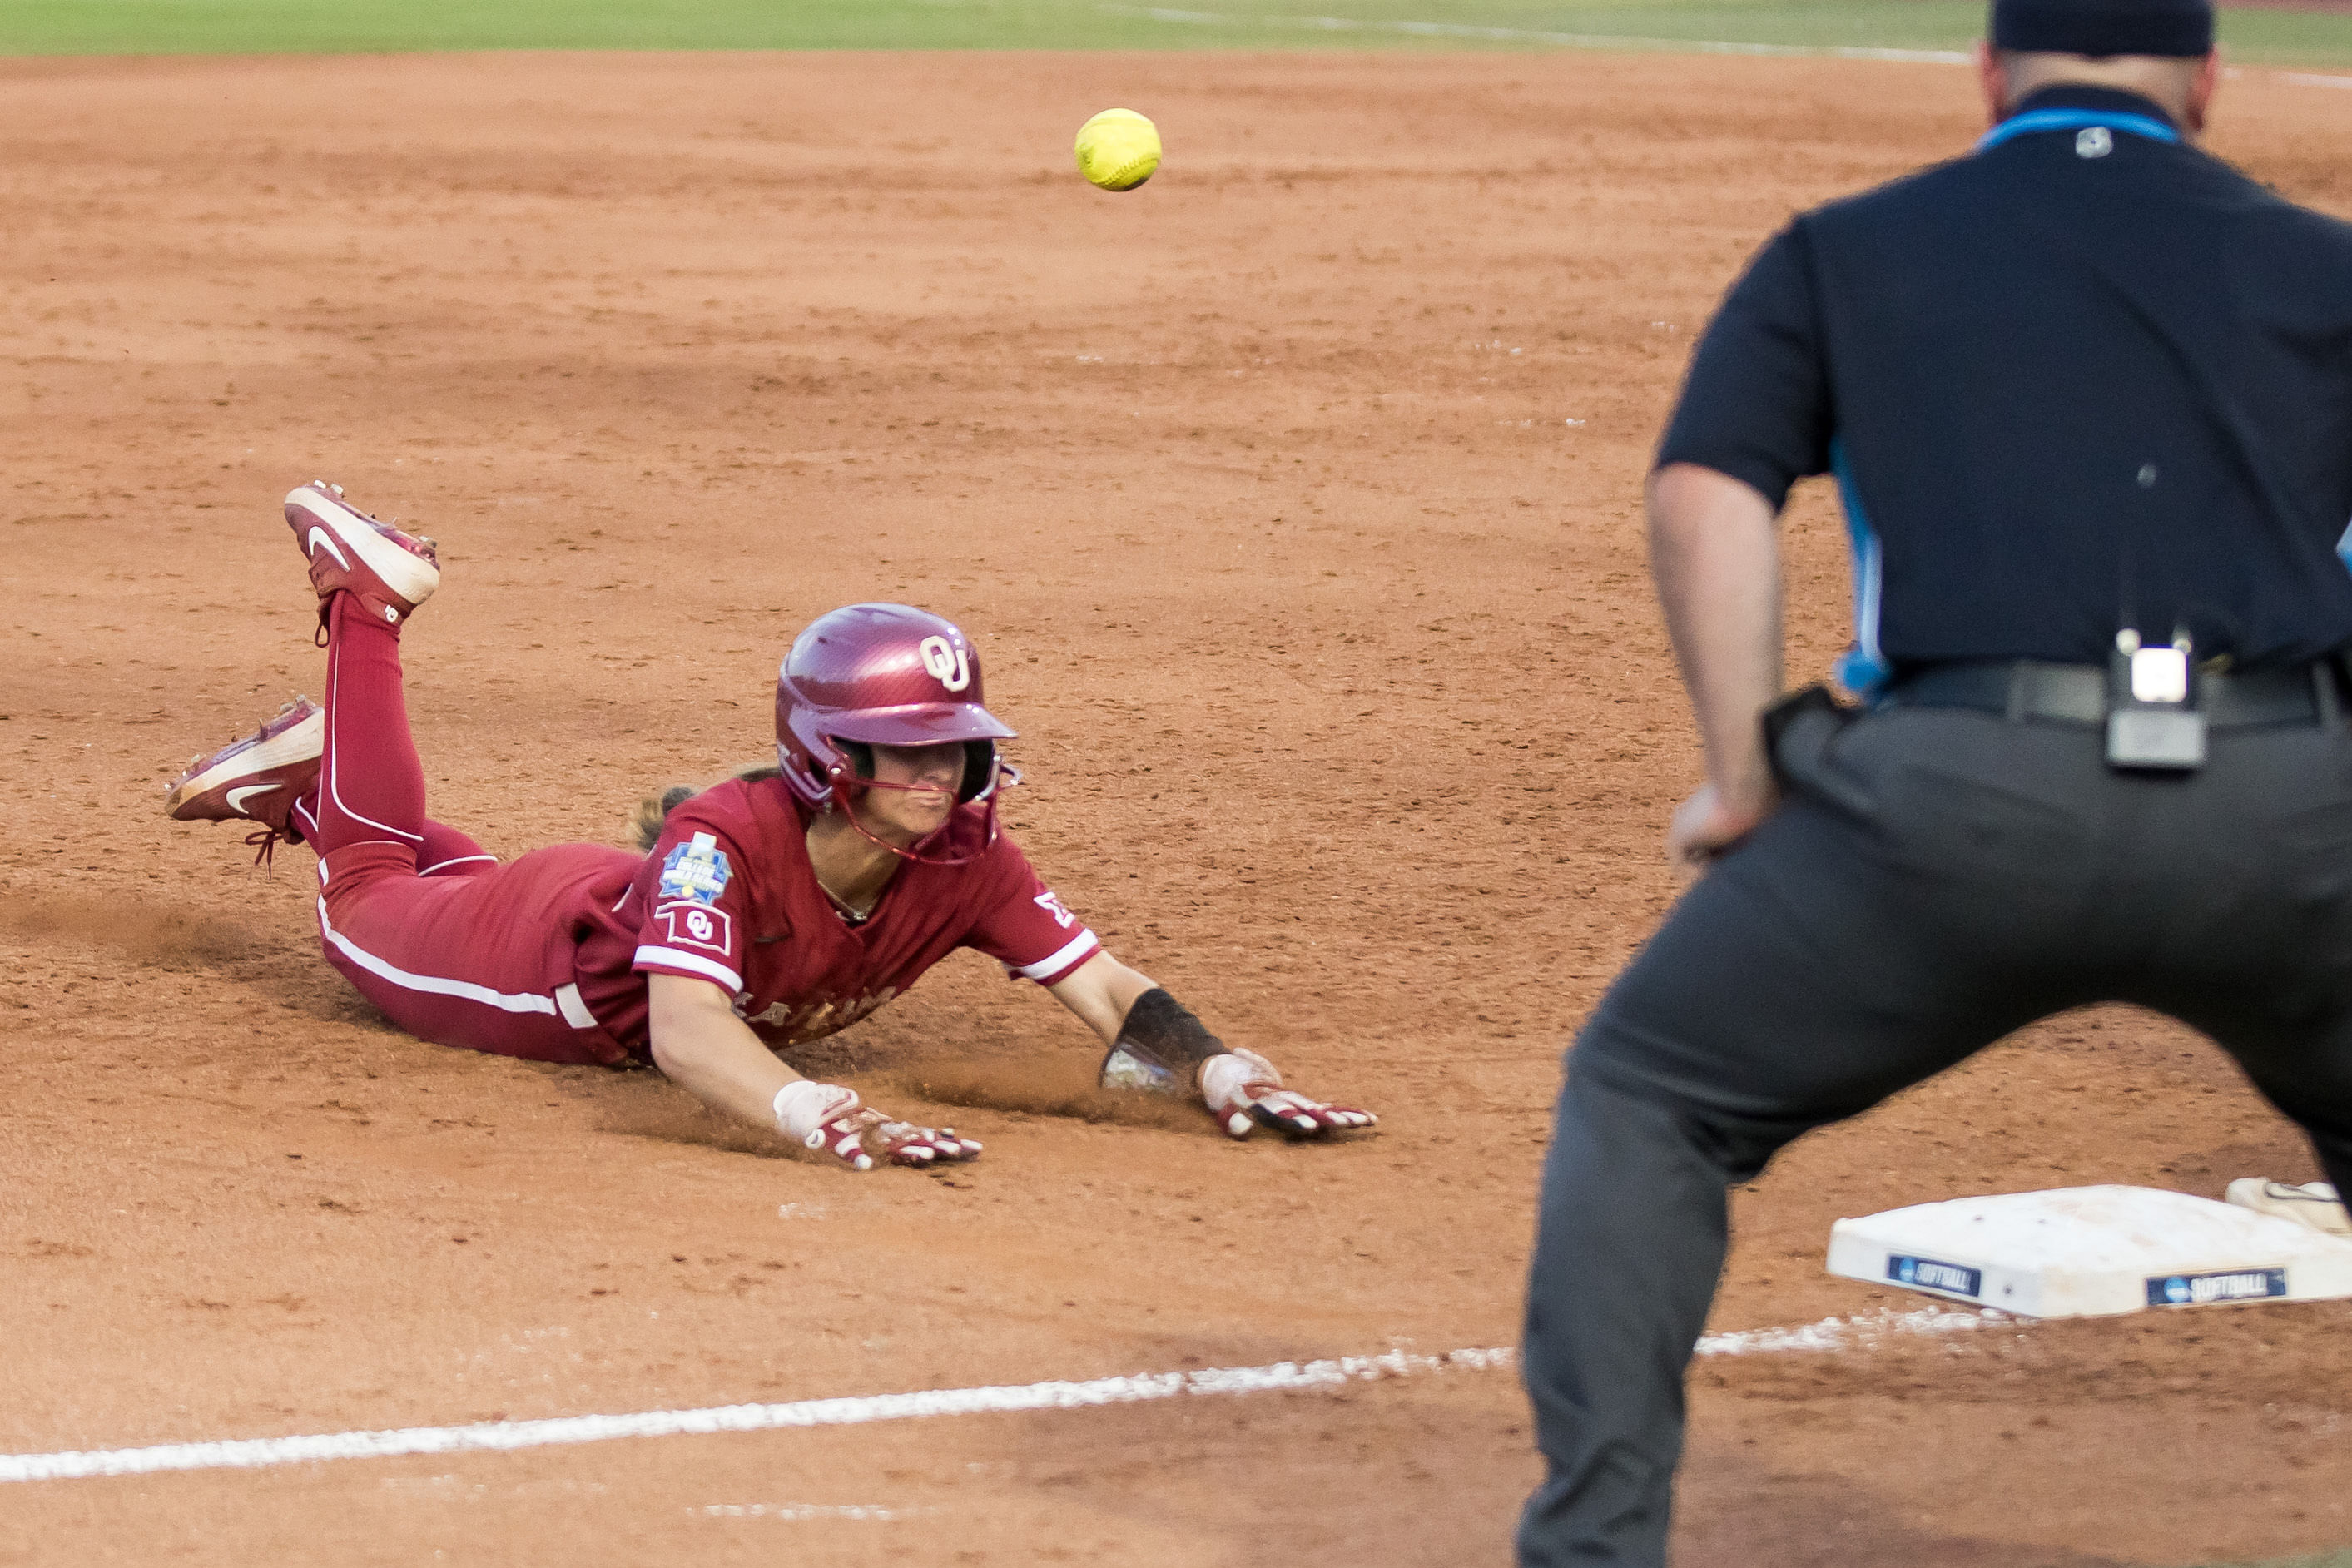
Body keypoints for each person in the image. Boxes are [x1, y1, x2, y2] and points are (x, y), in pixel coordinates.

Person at [1516, 0, 2352, 1560]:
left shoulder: (1843, 248)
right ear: (2207, 84)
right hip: (2284, 812)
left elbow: (1707, 492)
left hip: (1956, 804)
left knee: (1649, 1098)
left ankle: (1596, 1543)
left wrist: (1743, 772)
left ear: (1987, 74)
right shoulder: (2328, 266)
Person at [166, 482, 1375, 1169]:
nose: (939, 771)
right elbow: (689, 1038)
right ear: (826, 751)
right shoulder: (718, 840)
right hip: (527, 970)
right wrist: (817, 1112)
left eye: (953, 741)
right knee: (370, 884)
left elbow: (1110, 995)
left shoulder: (966, 859)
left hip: (600, 895)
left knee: (417, 854)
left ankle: (324, 775)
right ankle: (364, 610)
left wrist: (1219, 1070)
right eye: (904, 747)